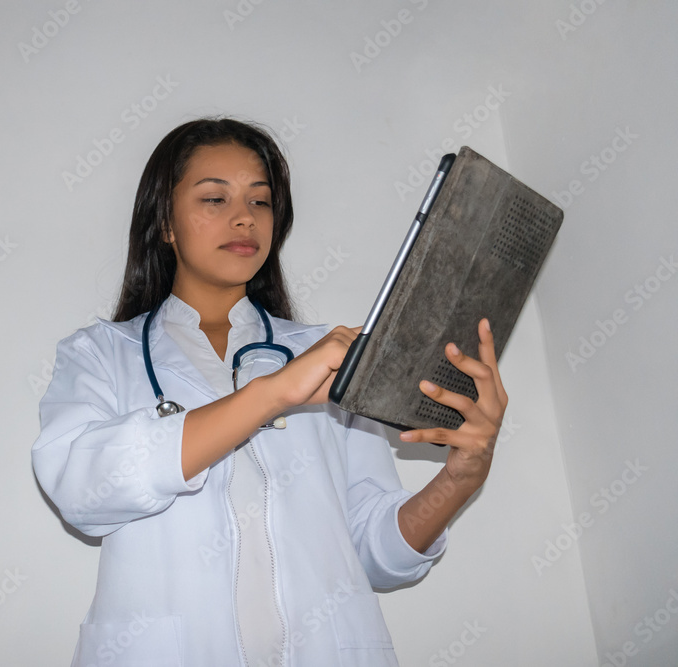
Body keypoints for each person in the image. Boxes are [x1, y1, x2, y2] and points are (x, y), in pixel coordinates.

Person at [31, 117, 507, 666]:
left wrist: (460, 477)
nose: (244, 217)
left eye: (260, 201)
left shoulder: (329, 356)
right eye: (215, 199)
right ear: (164, 222)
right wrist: (271, 395)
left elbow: (375, 551)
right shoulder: (100, 354)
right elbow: (83, 492)